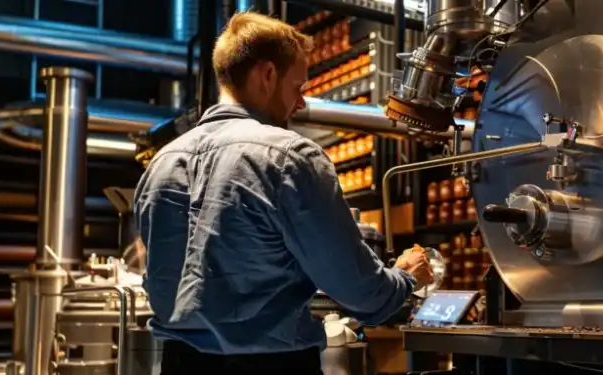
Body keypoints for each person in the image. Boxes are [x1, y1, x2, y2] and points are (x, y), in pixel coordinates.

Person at [133, 11, 435, 375]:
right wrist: (405, 278)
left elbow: (157, 280)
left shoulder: (160, 164)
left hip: (178, 364)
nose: (302, 103)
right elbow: (361, 292)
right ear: (268, 75)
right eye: (299, 87)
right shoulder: (289, 157)